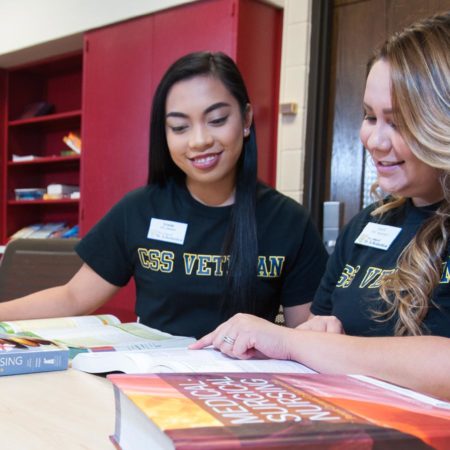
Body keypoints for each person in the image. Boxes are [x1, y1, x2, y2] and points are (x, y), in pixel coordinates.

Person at [191, 13, 450, 400]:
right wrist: (316, 332)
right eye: (368, 116)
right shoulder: (366, 226)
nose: (374, 140)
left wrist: (295, 343)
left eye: (398, 123)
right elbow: (318, 329)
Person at [0, 51, 328, 339]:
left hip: (243, 391)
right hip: (152, 383)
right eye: (180, 127)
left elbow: (303, 336)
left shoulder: (288, 221)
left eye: (216, 119)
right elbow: (72, 298)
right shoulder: (140, 210)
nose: (199, 140)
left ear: (245, 119)